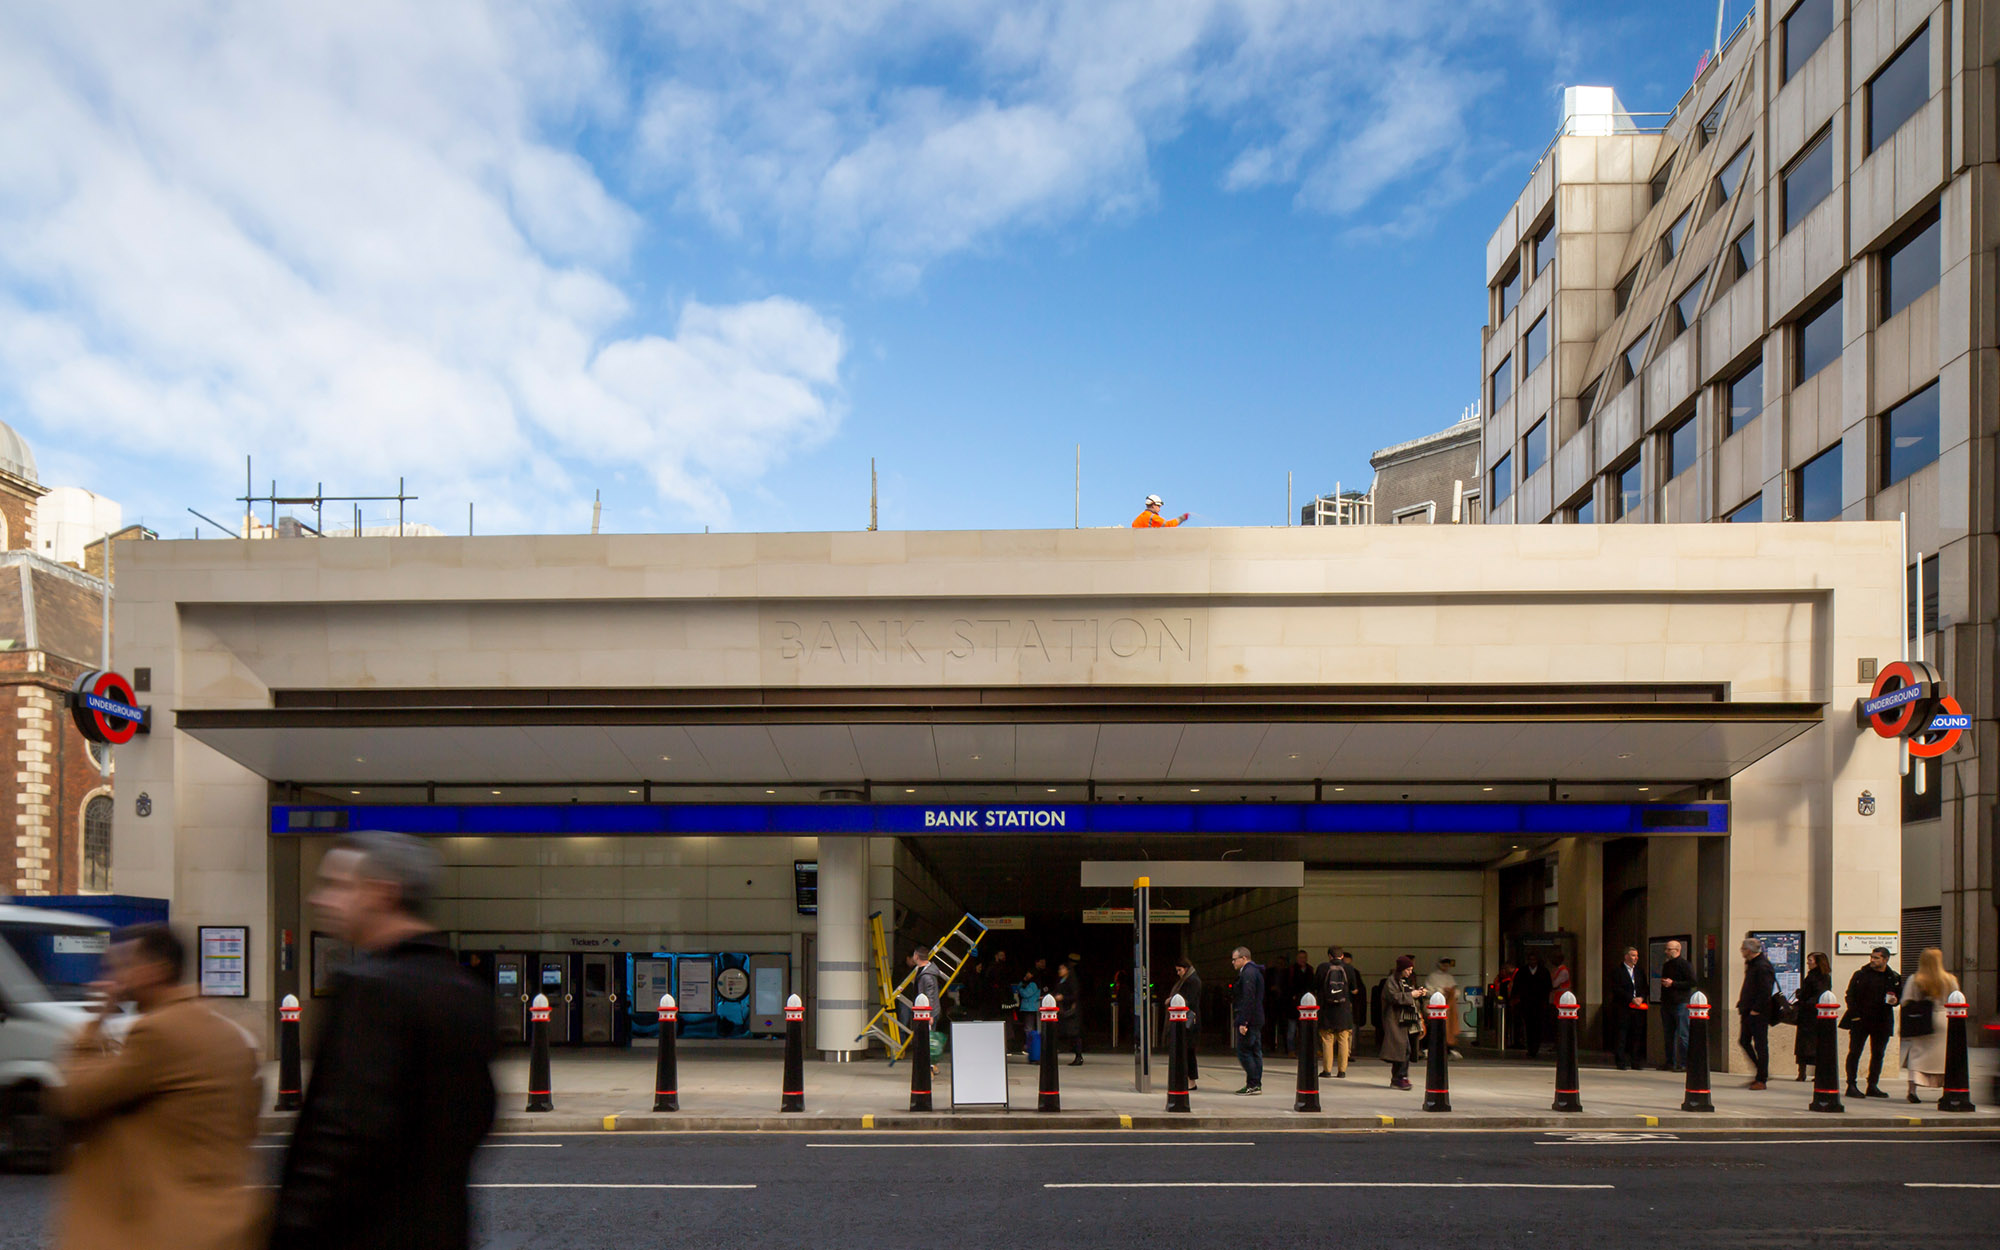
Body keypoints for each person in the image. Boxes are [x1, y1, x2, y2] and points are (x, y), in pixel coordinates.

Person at [267, 832, 498, 1250]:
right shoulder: (465, 988)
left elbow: (340, 1136)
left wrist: (292, 1230)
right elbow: (478, 1115)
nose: (321, 899)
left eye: (338, 885)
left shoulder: (369, 988)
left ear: (383, 893)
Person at [47, 923, 261, 1250]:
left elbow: (76, 1097)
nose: (112, 978)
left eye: (123, 965)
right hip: (225, 1222)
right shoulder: (226, 1030)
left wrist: (94, 1024)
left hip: (168, 1226)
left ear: (157, 970)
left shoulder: (158, 1032)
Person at [1900, 947, 1959, 1105]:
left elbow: (1906, 1000)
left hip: (1922, 1020)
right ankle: (1945, 1090)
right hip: (1944, 1019)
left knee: (1917, 1055)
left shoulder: (1915, 979)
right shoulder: (1949, 979)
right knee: (1943, 1058)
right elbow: (1956, 999)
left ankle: (1912, 1090)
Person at [1842, 945, 1900, 1098]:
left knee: (1878, 1054)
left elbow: (1898, 996)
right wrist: (1855, 1016)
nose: (1872, 960)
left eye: (1876, 958)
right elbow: (1850, 996)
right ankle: (1851, 1084)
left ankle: (1872, 1084)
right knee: (1855, 1052)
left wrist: (1895, 1001)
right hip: (1861, 1020)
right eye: (1872, 957)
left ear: (1885, 959)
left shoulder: (1893, 977)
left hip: (1882, 1020)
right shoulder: (1861, 975)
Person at [1735, 936, 1776, 1089]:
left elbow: (1765, 990)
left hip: (1758, 1012)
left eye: (1743, 949)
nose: (1741, 951)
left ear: (1749, 950)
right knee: (1744, 1041)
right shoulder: (1752, 964)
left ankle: (1762, 1078)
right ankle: (1761, 1071)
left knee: (1760, 1044)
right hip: (1747, 1009)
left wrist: (1756, 1010)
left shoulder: (1762, 966)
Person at [1379, 956, 1421, 1090]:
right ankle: (1399, 1077)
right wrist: (1411, 995)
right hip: (1394, 1019)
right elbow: (1393, 997)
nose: (1410, 972)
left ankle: (1399, 1077)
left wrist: (1418, 993)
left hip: (1404, 1020)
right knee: (1402, 1049)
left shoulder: (1404, 981)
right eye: (1408, 969)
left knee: (1403, 1049)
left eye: (1411, 970)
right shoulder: (1391, 981)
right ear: (1401, 969)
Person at [1314, 946, 1357, 1079]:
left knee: (1327, 1040)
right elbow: (1354, 990)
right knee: (1343, 1040)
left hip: (1326, 1010)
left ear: (1329, 956)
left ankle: (1327, 1070)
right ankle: (1342, 1071)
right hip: (1343, 1010)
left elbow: (1315, 986)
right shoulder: (1349, 968)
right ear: (1342, 956)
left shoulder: (1322, 967)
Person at [1229, 947, 1265, 1094]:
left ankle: (1253, 1082)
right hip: (1256, 1017)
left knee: (1244, 1052)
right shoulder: (1255, 971)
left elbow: (1248, 998)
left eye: (1234, 959)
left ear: (1243, 958)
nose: (1232, 962)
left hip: (1250, 1018)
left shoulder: (1248, 973)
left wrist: (1244, 1022)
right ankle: (1255, 1083)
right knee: (1256, 1051)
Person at [1656, 939, 1695, 1071]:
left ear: (1677, 950)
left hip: (1681, 1002)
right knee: (1668, 1034)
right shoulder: (1667, 965)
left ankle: (1684, 1063)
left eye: (1669, 949)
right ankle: (1670, 1062)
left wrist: (1673, 983)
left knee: (1683, 1034)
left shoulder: (1685, 965)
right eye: (1666, 949)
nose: (1666, 951)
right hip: (1667, 1002)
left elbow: (1692, 981)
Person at [1792, 951, 1831, 1082]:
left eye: (1810, 960)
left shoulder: (1821, 977)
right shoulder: (1813, 976)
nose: (1808, 963)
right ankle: (1802, 1072)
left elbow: (1818, 995)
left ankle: (1809, 1072)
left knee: (1812, 1045)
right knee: (1804, 1045)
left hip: (1812, 1015)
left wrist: (1804, 1001)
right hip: (1807, 1014)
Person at [1607, 946, 1646, 1070]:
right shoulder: (1617, 971)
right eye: (1633, 955)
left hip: (1638, 1007)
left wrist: (1641, 998)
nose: (1636, 958)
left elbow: (1645, 987)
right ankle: (1621, 1061)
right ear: (1626, 956)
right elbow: (1616, 988)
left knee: (1637, 1034)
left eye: (1637, 956)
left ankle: (1635, 1061)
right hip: (1623, 1007)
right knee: (1622, 1034)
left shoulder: (1639, 971)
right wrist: (1630, 998)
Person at [1167, 955, 1202, 1089]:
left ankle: (1191, 1080)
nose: (1178, 973)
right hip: (1187, 1021)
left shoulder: (1192, 981)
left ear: (1186, 969)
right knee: (1187, 1051)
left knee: (1189, 1051)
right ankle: (1188, 1079)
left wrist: (1171, 1000)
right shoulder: (1190, 980)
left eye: (1179, 970)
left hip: (1188, 1022)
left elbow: (1188, 1000)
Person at [1511, 953, 1552, 1059]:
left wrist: (1545, 1003)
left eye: (1534, 960)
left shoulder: (1544, 972)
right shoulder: (1522, 972)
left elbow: (1548, 988)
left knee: (1538, 1027)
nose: (1532, 962)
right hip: (1526, 1004)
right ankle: (1530, 1048)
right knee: (1528, 1026)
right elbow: (1516, 986)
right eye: (1530, 960)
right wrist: (1515, 998)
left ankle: (1535, 1047)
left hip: (1539, 1004)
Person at [1424, 958, 1463, 1059]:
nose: (1446, 967)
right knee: (1433, 1027)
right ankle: (1430, 1047)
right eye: (1444, 965)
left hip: (1448, 1008)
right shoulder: (1432, 977)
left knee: (1447, 1028)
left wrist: (1451, 992)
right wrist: (1440, 991)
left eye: (1447, 965)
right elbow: (1428, 991)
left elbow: (1456, 991)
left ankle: (1448, 1048)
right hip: (1435, 1008)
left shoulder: (1449, 977)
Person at [1054, 961, 1084, 1065]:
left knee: (1075, 1034)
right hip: (1063, 1010)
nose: (1060, 971)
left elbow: (1075, 996)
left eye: (1062, 969)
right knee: (1068, 1033)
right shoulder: (1061, 981)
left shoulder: (1072, 981)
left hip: (1072, 1011)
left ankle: (1078, 1056)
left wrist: (1063, 998)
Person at [1286, 949, 1314, 1056]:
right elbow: (1287, 986)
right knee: (1292, 1029)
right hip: (1293, 1004)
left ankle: (1306, 1050)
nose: (1303, 960)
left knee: (1305, 1029)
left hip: (1307, 1003)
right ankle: (1291, 1050)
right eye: (1301, 958)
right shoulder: (1291, 970)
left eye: (1304, 958)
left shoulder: (1310, 969)